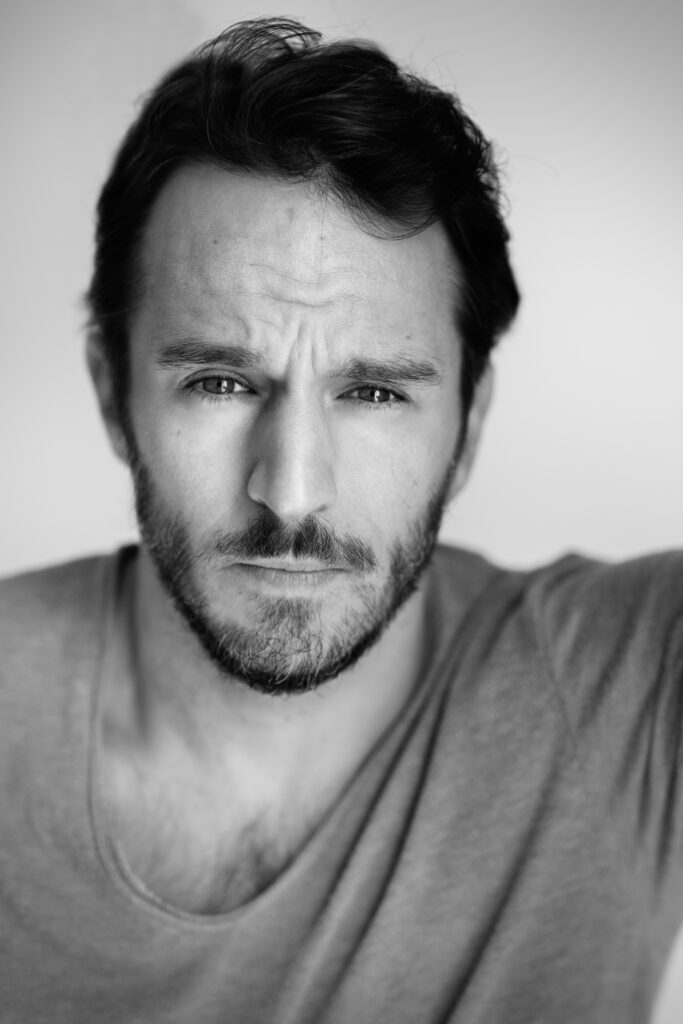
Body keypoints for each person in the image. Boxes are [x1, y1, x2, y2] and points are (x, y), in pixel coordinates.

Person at [1, 15, 681, 1023]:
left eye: (372, 393)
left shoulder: (626, 693)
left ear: (468, 424)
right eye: (221, 381)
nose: (290, 491)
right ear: (112, 395)